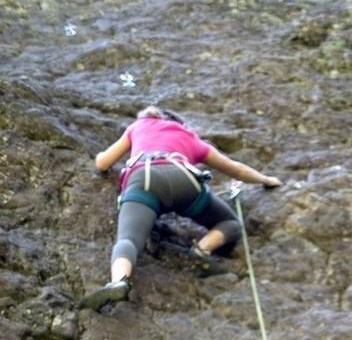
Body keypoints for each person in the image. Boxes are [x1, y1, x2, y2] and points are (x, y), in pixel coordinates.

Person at [80, 105, 281, 310]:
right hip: (184, 179)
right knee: (230, 223)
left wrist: (99, 158)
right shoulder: (190, 137)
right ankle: (201, 251)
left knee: (128, 240)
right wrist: (266, 179)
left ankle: (118, 281)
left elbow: (103, 163)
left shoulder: (139, 126)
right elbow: (236, 168)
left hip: (144, 179)